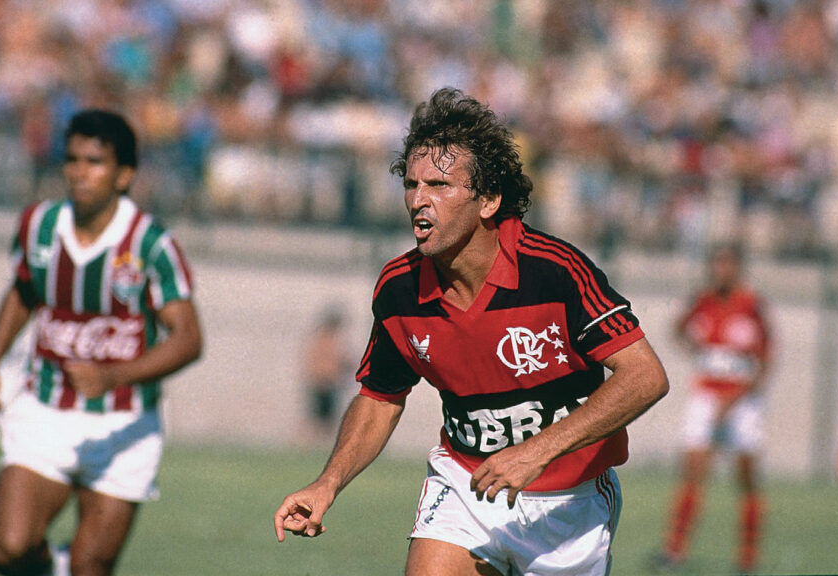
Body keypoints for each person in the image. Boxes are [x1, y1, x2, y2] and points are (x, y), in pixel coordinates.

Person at [274, 88, 669, 576]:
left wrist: (535, 453)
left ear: (489, 200)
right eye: (412, 184)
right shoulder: (398, 288)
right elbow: (379, 398)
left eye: (440, 185)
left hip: (569, 502)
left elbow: (646, 376)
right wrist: (327, 482)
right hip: (464, 483)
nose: (419, 200)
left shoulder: (555, 271)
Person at [0, 109, 203, 576]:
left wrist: (113, 375)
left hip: (124, 424)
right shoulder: (39, 225)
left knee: (90, 566)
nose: (80, 172)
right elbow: (22, 292)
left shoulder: (150, 243)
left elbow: (189, 340)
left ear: (124, 175)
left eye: (95, 162)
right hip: (46, 409)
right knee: (9, 547)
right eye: (73, 159)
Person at [651, 245, 772, 574]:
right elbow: (677, 328)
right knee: (692, 471)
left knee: (746, 477)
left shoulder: (752, 306)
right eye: (717, 264)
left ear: (738, 268)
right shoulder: (702, 300)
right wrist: (695, 349)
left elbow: (765, 362)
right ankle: (675, 548)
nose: (721, 270)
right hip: (705, 396)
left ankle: (748, 556)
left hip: (743, 401)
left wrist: (734, 399)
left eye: (728, 264)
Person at [302, 306, 351, 442]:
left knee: (327, 419)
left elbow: (341, 361)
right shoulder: (324, 340)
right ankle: (311, 443)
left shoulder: (332, 340)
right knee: (317, 418)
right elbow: (321, 362)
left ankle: (321, 444)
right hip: (322, 383)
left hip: (328, 383)